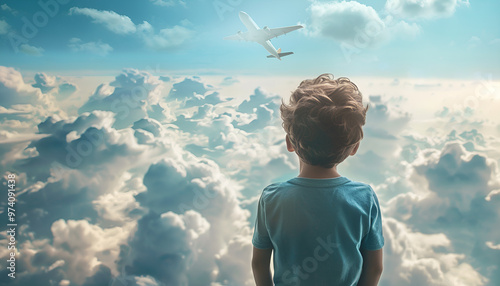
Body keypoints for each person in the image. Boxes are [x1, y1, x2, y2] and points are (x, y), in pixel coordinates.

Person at [251, 74, 384, 286]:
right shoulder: (364, 198)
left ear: (289, 143)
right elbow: (375, 267)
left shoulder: (272, 199)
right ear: (354, 148)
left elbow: (259, 264)